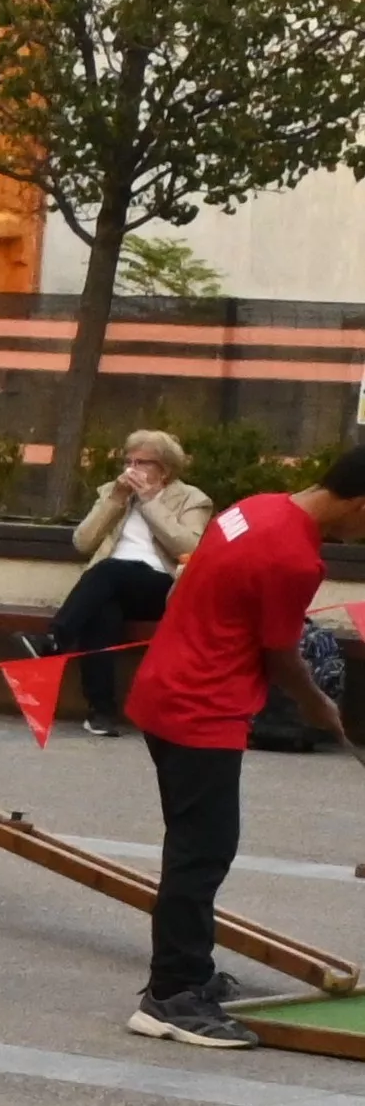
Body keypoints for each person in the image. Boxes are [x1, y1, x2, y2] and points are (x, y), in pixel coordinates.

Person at [117, 446, 364, 1046]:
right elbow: (280, 652)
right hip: (203, 706)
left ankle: (191, 971)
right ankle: (171, 995)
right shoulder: (294, 558)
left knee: (195, 845)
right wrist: (318, 705)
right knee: (202, 854)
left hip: (168, 687)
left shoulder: (258, 508)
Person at [52, 430, 210, 738]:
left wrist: (150, 502)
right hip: (111, 585)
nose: (131, 469)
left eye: (142, 462)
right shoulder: (114, 492)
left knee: (109, 570)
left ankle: (55, 640)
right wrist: (116, 500)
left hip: (161, 585)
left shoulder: (193, 498)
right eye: (128, 461)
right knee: (102, 613)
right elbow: (82, 542)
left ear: (164, 469)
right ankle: (101, 712)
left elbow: (189, 546)